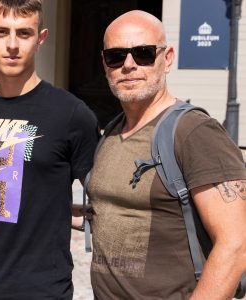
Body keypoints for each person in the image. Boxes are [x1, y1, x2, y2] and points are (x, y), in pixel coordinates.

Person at [88, 10, 246, 299]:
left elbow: (236, 243)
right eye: (116, 56)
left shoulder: (195, 132)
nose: (129, 65)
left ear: (168, 57)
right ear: (105, 64)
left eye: (144, 53)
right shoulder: (110, 133)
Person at [0, 0, 99, 299]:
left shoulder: (72, 114)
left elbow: (106, 199)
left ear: (41, 38)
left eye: (24, 33)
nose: (12, 45)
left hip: (42, 290)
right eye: (2, 32)